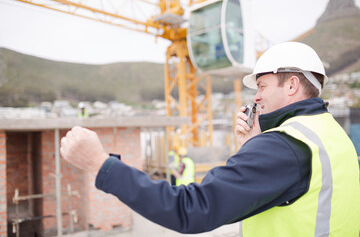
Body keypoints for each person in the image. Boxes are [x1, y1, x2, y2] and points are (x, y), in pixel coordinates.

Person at [60, 42, 360, 236]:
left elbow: (192, 209)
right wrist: (252, 147)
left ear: (292, 84)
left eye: (263, 85)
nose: (256, 96)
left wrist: (101, 165)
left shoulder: (284, 146)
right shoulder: (331, 132)